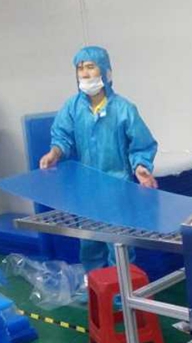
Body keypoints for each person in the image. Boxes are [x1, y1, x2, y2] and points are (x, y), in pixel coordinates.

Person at [40, 46, 158, 271]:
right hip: (87, 190)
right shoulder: (73, 107)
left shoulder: (124, 109)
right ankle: (94, 286)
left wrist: (141, 167)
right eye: (80, 68)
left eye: (90, 67)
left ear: (105, 71)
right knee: (90, 245)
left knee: (119, 246)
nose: (84, 74)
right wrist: (54, 152)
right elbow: (62, 136)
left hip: (118, 190)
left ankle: (122, 289)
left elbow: (142, 144)